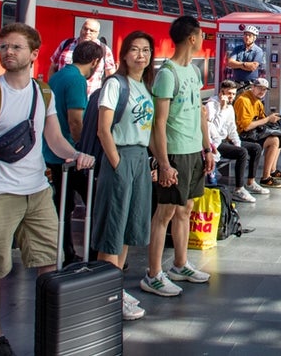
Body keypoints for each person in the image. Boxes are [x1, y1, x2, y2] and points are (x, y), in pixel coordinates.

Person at [0, 23, 95, 356]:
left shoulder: (42, 92)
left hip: (37, 192)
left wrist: (76, 154)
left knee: (50, 261)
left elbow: (54, 139)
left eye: (16, 47)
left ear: (34, 54)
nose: (8, 52)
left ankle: (48, 328)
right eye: (3, 46)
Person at [142, 16, 213, 298]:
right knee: (165, 212)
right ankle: (153, 273)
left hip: (194, 150)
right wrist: (163, 162)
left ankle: (180, 264)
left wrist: (207, 148)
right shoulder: (167, 74)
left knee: (186, 209)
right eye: (201, 35)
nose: (203, 39)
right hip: (174, 151)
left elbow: (199, 113)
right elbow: (159, 122)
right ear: (192, 38)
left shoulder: (193, 72)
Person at [90, 31, 156, 321]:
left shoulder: (145, 85)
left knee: (128, 227)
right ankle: (106, 294)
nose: (140, 55)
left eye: (145, 50)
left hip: (139, 159)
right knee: (112, 229)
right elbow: (103, 129)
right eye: (134, 50)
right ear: (124, 54)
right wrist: (117, 163)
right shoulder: (115, 84)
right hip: (121, 157)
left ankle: (115, 288)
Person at [43, 40, 103, 265]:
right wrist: (84, 151)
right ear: (95, 61)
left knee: (63, 205)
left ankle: (66, 252)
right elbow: (76, 121)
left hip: (52, 152)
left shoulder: (57, 76)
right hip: (70, 154)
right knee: (94, 200)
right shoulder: (77, 80)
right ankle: (93, 253)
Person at [206, 79, 268, 202]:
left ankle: (251, 182)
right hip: (213, 142)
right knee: (242, 153)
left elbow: (232, 129)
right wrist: (222, 108)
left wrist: (237, 144)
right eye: (229, 94)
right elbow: (211, 127)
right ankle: (238, 189)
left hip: (225, 140)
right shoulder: (211, 105)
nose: (231, 97)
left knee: (255, 148)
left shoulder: (230, 108)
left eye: (233, 94)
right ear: (221, 93)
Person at [234, 78, 281, 188]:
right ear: (253, 87)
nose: (262, 92)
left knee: (279, 135)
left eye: (264, 90)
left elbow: (262, 122)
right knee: (273, 140)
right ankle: (265, 177)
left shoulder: (257, 101)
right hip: (241, 135)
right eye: (259, 88)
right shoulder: (243, 100)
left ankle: (272, 171)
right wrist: (268, 119)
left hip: (252, 132)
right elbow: (246, 126)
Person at [47, 19, 117, 96]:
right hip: (61, 96)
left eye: (92, 31)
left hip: (88, 100)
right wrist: (51, 87)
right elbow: (53, 67)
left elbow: (110, 75)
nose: (87, 32)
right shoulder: (66, 44)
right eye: (85, 28)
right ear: (81, 29)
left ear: (97, 33)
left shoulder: (104, 50)